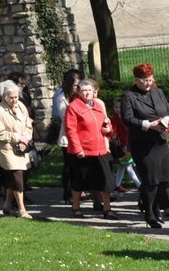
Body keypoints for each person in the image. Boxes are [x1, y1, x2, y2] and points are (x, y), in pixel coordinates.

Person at [120, 63, 169, 228]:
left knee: (164, 180)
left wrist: (165, 121)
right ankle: (149, 214)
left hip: (160, 142)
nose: (149, 83)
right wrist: (148, 125)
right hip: (142, 144)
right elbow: (127, 118)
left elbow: (167, 110)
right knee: (151, 180)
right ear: (136, 80)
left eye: (150, 79)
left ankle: (156, 208)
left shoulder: (158, 92)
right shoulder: (129, 96)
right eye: (145, 80)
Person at [65, 80, 116, 220]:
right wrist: (77, 149)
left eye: (90, 90)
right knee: (81, 180)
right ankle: (76, 206)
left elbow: (106, 122)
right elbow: (71, 130)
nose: (87, 93)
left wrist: (109, 129)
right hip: (83, 151)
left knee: (106, 180)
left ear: (94, 91)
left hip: (100, 149)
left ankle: (107, 209)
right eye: (84, 90)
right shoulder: (73, 107)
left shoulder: (98, 105)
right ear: (78, 92)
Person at [0, 80, 33, 219]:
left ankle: (7, 206)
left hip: (21, 146)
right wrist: (18, 138)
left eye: (16, 97)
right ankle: (22, 209)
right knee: (17, 176)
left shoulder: (21, 105)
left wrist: (26, 138)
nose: (15, 100)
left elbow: (28, 124)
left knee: (13, 178)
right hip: (7, 148)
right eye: (11, 97)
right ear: (3, 96)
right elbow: (0, 133)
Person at [55, 70, 82, 204]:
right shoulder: (62, 98)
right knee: (69, 166)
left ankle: (79, 190)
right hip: (68, 137)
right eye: (75, 85)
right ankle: (68, 192)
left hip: (82, 135)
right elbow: (66, 118)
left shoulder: (80, 96)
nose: (78, 88)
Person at [110, 98, 141, 193]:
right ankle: (139, 185)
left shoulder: (126, 117)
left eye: (120, 107)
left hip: (128, 144)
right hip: (122, 146)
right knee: (128, 166)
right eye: (116, 107)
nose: (118, 109)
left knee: (123, 167)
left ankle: (117, 184)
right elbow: (113, 131)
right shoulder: (115, 119)